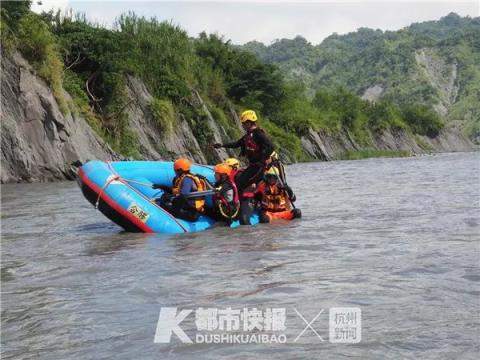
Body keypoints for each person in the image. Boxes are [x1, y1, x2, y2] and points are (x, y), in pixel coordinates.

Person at [213, 110, 275, 194]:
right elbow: (236, 144)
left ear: (249, 123)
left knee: (240, 183)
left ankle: (240, 202)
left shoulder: (258, 134)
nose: (242, 125)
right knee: (238, 181)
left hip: (259, 167)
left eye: (244, 123)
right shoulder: (248, 135)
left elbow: (271, 147)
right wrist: (222, 145)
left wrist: (262, 159)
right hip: (252, 166)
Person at [224, 157, 256, 225]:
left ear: (234, 167)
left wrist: (240, 188)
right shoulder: (225, 175)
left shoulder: (241, 175)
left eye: (228, 167)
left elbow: (253, 186)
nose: (226, 168)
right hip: (235, 200)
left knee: (244, 219)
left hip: (246, 200)